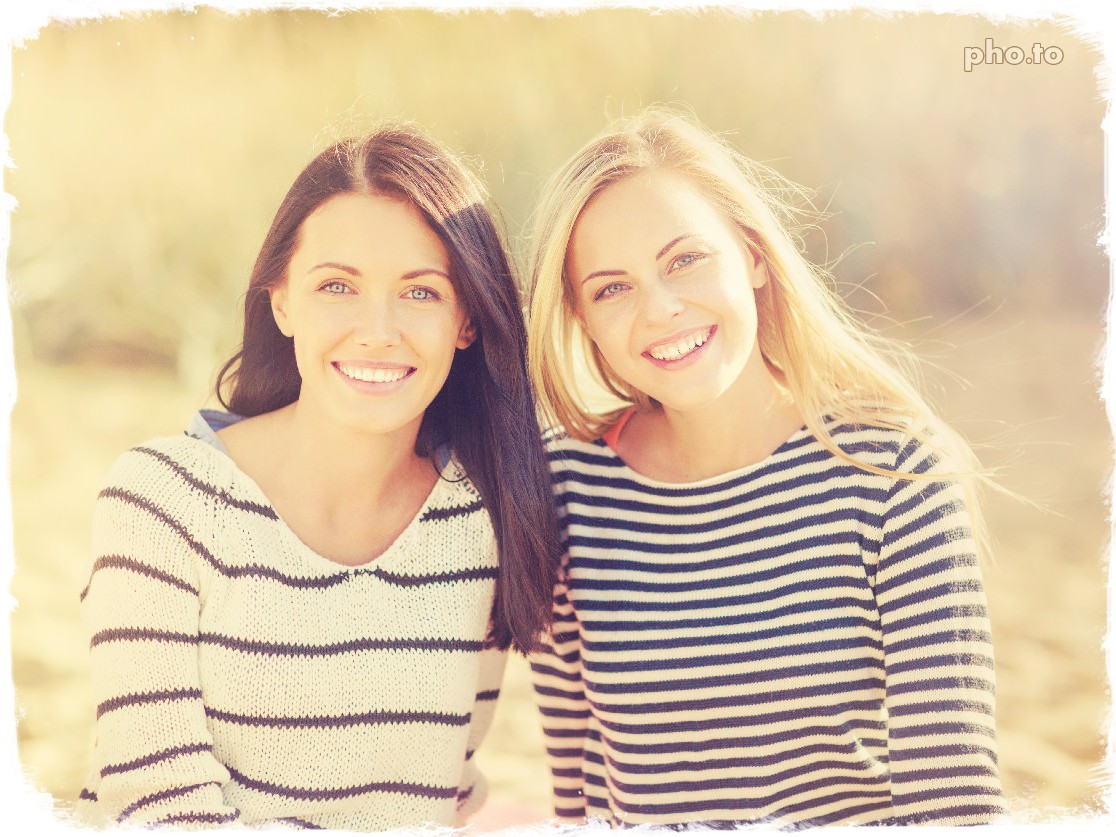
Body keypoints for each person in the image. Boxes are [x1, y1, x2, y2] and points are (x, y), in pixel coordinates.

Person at [526, 108, 1005, 828]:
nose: (660, 309)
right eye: (611, 288)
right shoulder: (567, 491)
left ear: (752, 255)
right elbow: (576, 792)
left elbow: (954, 804)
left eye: (685, 259)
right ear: (581, 319)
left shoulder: (895, 475)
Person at [75, 125, 559, 830]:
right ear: (281, 302)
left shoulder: (482, 520)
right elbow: (160, 808)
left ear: (467, 320)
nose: (378, 330)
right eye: (337, 285)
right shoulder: (160, 502)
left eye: (421, 293)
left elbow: (443, 792)